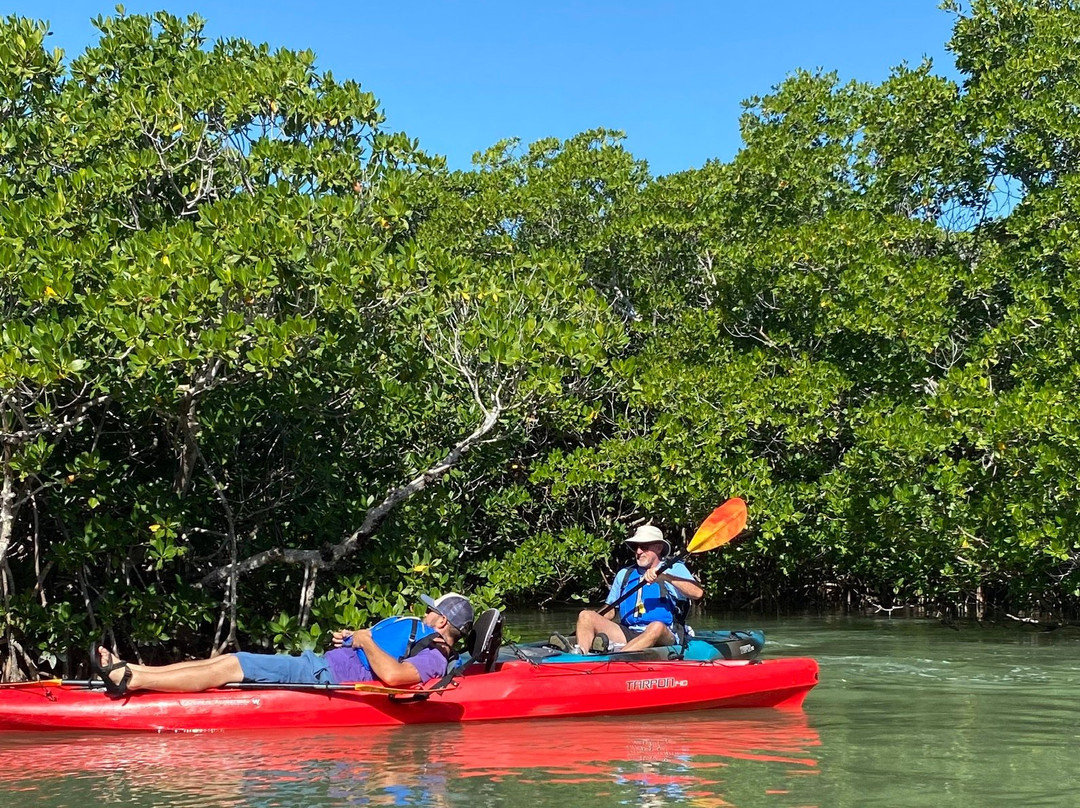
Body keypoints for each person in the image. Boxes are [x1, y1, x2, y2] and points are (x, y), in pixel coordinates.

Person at [90, 592, 474, 697]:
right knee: (229, 658)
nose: (423, 615)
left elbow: (392, 676)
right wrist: (354, 642)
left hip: (323, 679)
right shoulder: (423, 643)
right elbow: (380, 657)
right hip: (322, 665)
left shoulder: (432, 658)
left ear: (441, 621)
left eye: (430, 612)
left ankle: (134, 681)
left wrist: (365, 640)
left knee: (231, 665)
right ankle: (133, 670)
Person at [555, 525, 703, 654]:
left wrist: (664, 577)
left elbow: (697, 593)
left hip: (665, 634)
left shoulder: (674, 569)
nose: (638, 551)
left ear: (658, 548)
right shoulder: (624, 574)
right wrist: (593, 622)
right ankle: (580, 657)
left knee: (656, 626)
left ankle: (615, 660)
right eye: (635, 547)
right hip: (629, 632)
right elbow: (611, 609)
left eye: (644, 547)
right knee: (585, 615)